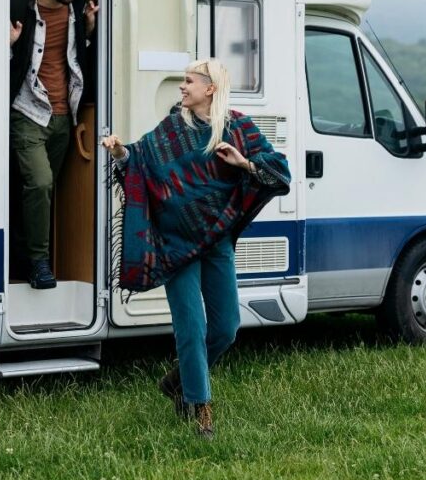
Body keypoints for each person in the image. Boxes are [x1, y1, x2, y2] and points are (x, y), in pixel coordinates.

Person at [102, 58, 290, 438]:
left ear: (211, 88)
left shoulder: (238, 127)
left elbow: (280, 173)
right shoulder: (174, 128)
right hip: (175, 245)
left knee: (226, 328)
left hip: (215, 239)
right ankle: (200, 411)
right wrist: (120, 151)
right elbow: (140, 158)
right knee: (191, 327)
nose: (182, 87)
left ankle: (178, 382)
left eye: (189, 81)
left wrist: (244, 164)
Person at [9, 0, 99, 289]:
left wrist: (89, 29)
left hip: (65, 117)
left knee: (40, 192)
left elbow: (80, 57)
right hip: (28, 112)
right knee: (40, 183)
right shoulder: (17, 7)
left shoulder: (78, 9)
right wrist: (8, 45)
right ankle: (38, 263)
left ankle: (24, 255)